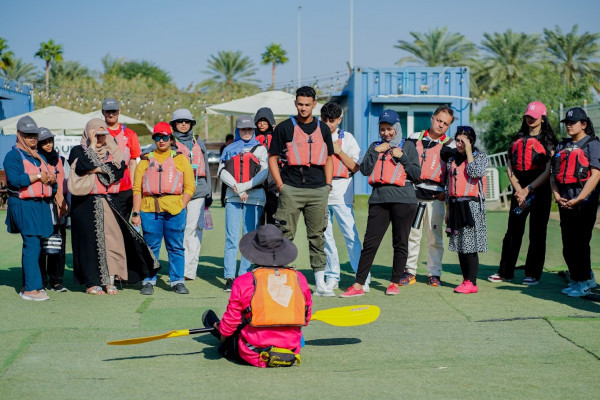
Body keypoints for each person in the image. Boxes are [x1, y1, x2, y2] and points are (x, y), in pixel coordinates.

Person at [68, 118, 159, 295]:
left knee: (112, 240)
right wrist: (92, 146)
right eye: (96, 135)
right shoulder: (77, 150)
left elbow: (116, 172)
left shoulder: (113, 152)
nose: (101, 138)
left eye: (103, 135)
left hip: (107, 201)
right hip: (83, 205)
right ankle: (92, 283)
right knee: (89, 244)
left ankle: (109, 279)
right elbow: (82, 164)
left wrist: (95, 169)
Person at [202, 224, 312, 367]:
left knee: (219, 327)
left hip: (255, 354)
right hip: (290, 350)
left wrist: (222, 332)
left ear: (254, 252)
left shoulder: (244, 281)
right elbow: (306, 318)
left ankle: (217, 328)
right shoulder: (299, 278)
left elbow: (230, 324)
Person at [340, 110, 421, 297]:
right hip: (379, 200)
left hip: (404, 200)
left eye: (390, 129)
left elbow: (416, 174)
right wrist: (376, 152)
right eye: (383, 129)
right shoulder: (374, 146)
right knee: (370, 243)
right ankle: (358, 284)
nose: (386, 133)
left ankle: (394, 282)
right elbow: (365, 170)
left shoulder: (408, 146)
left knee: (400, 243)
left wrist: (402, 156)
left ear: (397, 128)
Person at [268, 86, 334, 295]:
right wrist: (281, 185)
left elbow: (330, 157)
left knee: (317, 236)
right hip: (291, 189)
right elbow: (272, 158)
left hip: (318, 190)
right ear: (295, 104)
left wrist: (328, 184)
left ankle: (320, 283)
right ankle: (282, 279)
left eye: (307, 104)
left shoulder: (323, 128)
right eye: (300, 104)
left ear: (315, 105)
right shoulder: (284, 128)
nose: (303, 108)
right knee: (285, 234)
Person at [490, 102, 557, 285]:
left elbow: (548, 171)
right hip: (519, 192)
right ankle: (505, 272)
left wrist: (529, 189)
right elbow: (510, 165)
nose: (530, 119)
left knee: (537, 233)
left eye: (534, 116)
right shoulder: (517, 138)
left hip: (539, 191)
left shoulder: (549, 141)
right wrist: (519, 190)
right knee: (512, 232)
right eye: (528, 116)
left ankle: (533, 273)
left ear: (542, 118)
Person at [132, 122, 195, 295]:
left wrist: (182, 204)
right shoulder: (144, 161)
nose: (161, 141)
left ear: (170, 139)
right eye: (158, 137)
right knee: (151, 247)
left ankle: (177, 281)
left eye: (165, 137)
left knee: (175, 246)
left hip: (175, 210)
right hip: (149, 209)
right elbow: (137, 189)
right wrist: (136, 213)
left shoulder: (180, 159)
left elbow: (190, 186)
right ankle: (148, 280)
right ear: (154, 139)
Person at [4, 116, 55, 301]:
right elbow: (16, 180)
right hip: (23, 204)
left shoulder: (38, 156)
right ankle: (30, 290)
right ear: (19, 135)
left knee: (36, 246)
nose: (32, 139)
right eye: (28, 135)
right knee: (31, 245)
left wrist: (51, 179)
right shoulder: (13, 155)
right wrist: (38, 176)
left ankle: (30, 284)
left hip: (39, 204)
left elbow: (48, 178)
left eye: (34, 135)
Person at [551, 107, 600, 297]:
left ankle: (584, 283)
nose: (569, 126)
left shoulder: (593, 144)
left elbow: (596, 175)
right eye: (567, 123)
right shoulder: (561, 146)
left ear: (584, 124)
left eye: (573, 122)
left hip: (584, 202)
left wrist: (579, 198)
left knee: (580, 243)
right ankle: (580, 279)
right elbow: (553, 175)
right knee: (568, 243)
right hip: (564, 200)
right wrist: (556, 196)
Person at [405, 105, 456, 287]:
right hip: (415, 196)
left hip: (435, 200)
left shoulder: (450, 144)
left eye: (446, 123)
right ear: (432, 118)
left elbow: (454, 172)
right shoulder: (413, 138)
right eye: (439, 120)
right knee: (413, 235)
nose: (441, 125)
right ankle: (409, 271)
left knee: (434, 237)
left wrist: (446, 193)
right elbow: (402, 163)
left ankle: (434, 273)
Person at [218, 116, 269, 291]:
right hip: (233, 196)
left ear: (253, 130)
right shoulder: (229, 149)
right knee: (231, 237)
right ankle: (230, 276)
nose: (246, 132)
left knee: (249, 237)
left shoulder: (261, 149)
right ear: (238, 130)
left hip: (255, 197)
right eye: (243, 129)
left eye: (249, 129)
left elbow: (263, 172)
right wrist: (238, 189)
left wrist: (244, 187)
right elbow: (222, 171)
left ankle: (245, 275)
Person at [319, 102, 364, 295]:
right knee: (325, 236)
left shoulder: (348, 138)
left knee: (350, 235)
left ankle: (362, 277)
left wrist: (339, 151)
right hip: (320, 191)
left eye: (333, 120)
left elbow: (356, 167)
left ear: (340, 119)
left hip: (342, 190)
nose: (329, 124)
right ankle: (332, 276)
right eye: (326, 120)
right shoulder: (315, 136)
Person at [169, 109, 212, 280]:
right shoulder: (168, 142)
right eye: (180, 121)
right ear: (174, 124)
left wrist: (208, 191)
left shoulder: (198, 142)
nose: (184, 124)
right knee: (178, 230)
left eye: (187, 121)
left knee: (194, 229)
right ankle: (179, 266)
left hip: (199, 191)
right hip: (176, 192)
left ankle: (189, 270)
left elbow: (207, 167)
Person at [445, 126, 488, 294]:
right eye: (458, 140)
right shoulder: (452, 160)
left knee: (470, 245)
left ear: (471, 141)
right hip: (455, 205)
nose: (460, 144)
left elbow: (474, 172)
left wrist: (469, 152)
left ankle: (472, 282)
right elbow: (448, 186)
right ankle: (465, 280)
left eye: (464, 141)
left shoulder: (481, 157)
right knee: (460, 245)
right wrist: (448, 210)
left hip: (471, 206)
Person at [37, 127, 69, 292]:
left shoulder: (61, 160)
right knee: (42, 245)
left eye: (50, 141)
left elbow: (66, 184)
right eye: (44, 142)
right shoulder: (34, 160)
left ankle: (56, 280)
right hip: (42, 206)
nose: (48, 144)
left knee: (59, 245)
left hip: (59, 207)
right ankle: (41, 281)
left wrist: (64, 204)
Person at [101, 97, 142, 219]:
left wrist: (134, 188)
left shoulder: (130, 134)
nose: (111, 114)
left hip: (125, 188)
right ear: (103, 112)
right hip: (104, 187)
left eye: (114, 111)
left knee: (123, 225)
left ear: (119, 111)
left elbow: (133, 162)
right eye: (108, 111)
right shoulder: (98, 132)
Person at [254, 107, 279, 225]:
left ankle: (271, 241)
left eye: (265, 121)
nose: (262, 124)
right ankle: (258, 242)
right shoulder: (252, 138)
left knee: (273, 215)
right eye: (259, 121)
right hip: (258, 182)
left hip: (273, 182)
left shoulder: (277, 137)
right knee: (258, 216)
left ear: (270, 122)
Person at [220, 134, 234, 207]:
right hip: (225, 168)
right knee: (225, 186)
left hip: (229, 168)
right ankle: (223, 201)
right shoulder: (224, 148)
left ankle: (225, 200)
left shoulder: (227, 147)